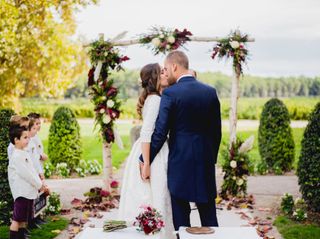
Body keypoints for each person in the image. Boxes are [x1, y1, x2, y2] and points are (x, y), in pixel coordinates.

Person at [140, 51, 222, 230]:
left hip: (180, 164)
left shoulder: (170, 94)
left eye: (166, 69)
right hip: (205, 164)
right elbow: (217, 132)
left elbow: (160, 133)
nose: (166, 73)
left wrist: (143, 159)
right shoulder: (210, 92)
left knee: (181, 221)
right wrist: (211, 158)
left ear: (174, 67)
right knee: (210, 218)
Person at [119, 63, 175, 239]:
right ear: (155, 78)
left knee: (156, 194)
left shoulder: (153, 98)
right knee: (154, 193)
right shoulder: (155, 100)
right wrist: (147, 164)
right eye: (161, 72)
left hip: (150, 149)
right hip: (151, 153)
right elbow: (146, 132)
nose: (165, 74)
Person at [8, 126, 46, 239]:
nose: (28, 140)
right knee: (17, 219)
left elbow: (32, 170)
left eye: (28, 137)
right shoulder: (16, 156)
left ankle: (21, 236)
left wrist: (40, 182)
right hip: (22, 193)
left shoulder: (24, 153)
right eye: (25, 138)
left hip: (28, 192)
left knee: (23, 219)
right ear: (16, 140)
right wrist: (39, 185)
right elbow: (26, 174)